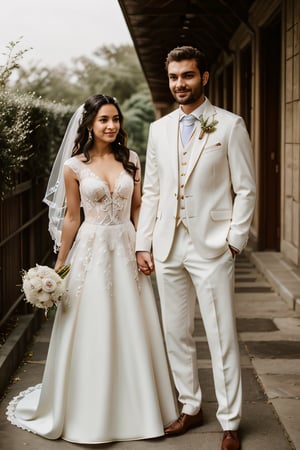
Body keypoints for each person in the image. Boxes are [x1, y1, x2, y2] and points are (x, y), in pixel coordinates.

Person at [6, 94, 178, 443]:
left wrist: (145, 247)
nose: (112, 125)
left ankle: (139, 405)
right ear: (89, 124)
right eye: (104, 120)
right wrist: (60, 264)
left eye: (115, 119)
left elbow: (138, 208)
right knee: (93, 323)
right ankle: (88, 408)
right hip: (92, 248)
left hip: (127, 246)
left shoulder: (130, 159)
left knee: (134, 323)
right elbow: (71, 217)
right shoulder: (74, 166)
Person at [136, 46, 256, 450]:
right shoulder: (159, 129)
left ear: (204, 77)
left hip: (213, 246)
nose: (179, 84)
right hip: (168, 245)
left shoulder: (230, 125)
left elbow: (246, 188)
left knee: (221, 333)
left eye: (186, 76)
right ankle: (190, 406)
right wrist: (143, 243)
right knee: (176, 333)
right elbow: (151, 190)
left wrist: (234, 241)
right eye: (173, 77)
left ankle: (230, 420)